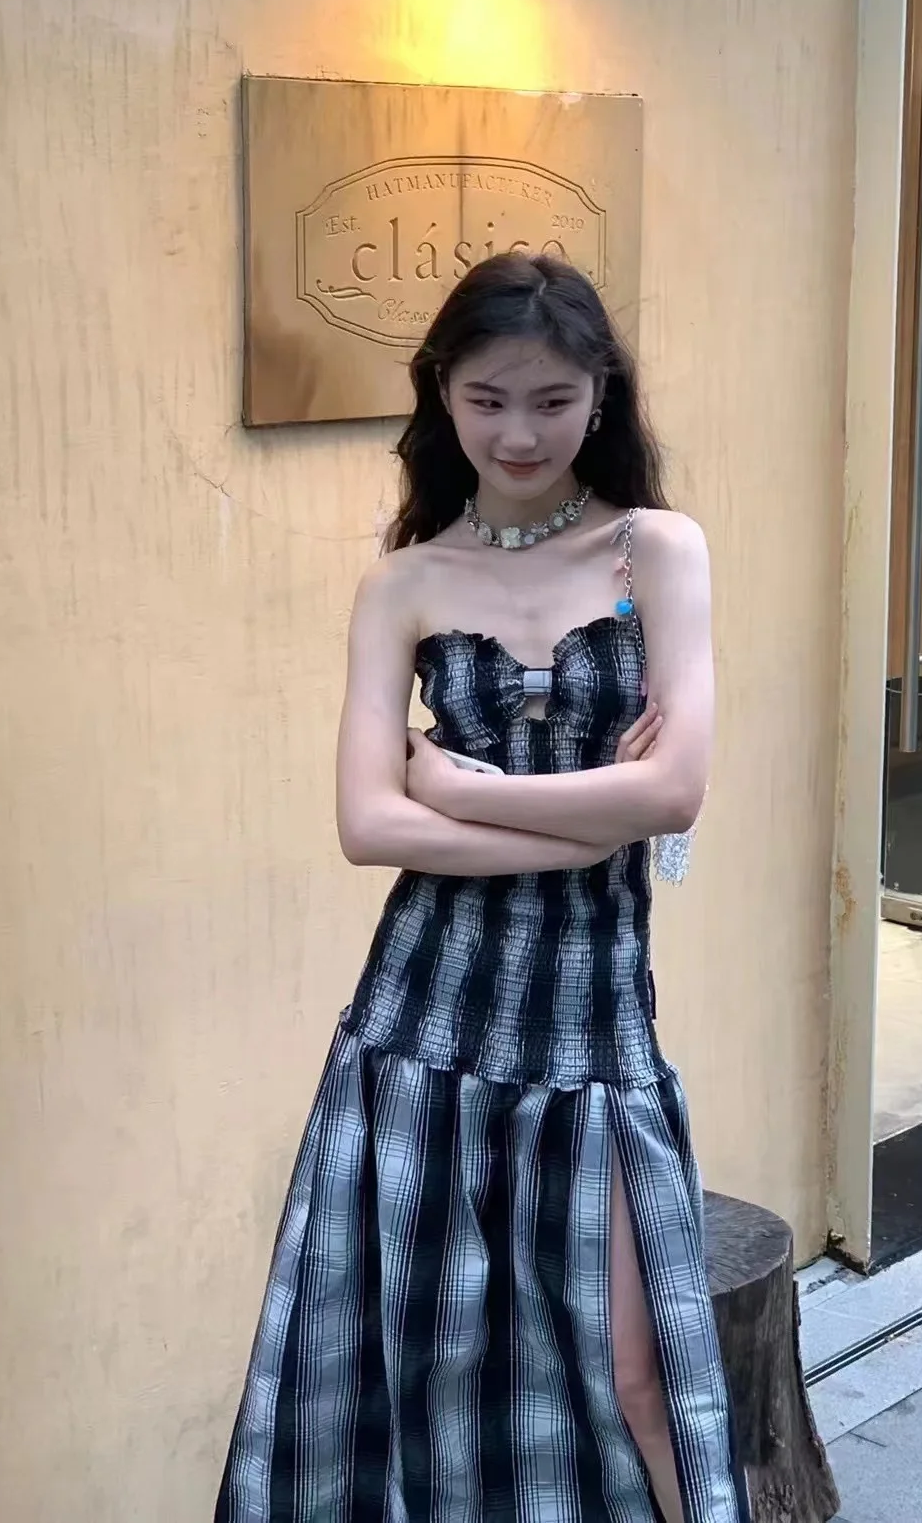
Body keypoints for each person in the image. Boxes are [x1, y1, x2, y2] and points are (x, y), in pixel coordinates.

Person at [216, 252, 748, 1522]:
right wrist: (585, 821)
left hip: (590, 1023)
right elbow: (365, 823)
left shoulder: (654, 550)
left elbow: (674, 791)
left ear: (601, 395)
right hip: (421, 1018)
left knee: (639, 1372)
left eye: (552, 400)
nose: (518, 432)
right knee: (415, 1359)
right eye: (487, 398)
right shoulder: (404, 579)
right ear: (440, 393)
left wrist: (460, 790)